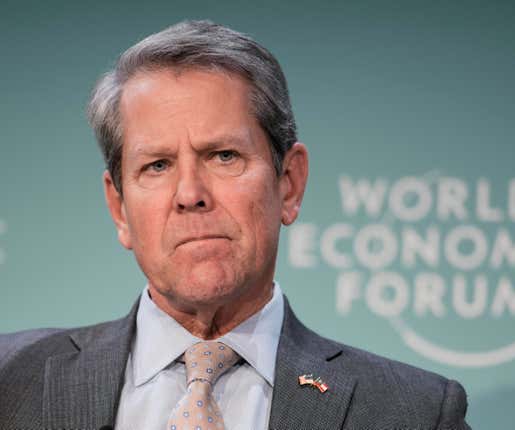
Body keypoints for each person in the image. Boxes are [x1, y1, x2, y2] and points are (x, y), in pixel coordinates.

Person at [0, 20, 471, 430]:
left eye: (224, 156)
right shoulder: (10, 383)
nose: (189, 195)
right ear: (120, 208)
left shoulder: (412, 412)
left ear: (288, 183)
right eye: (158, 166)